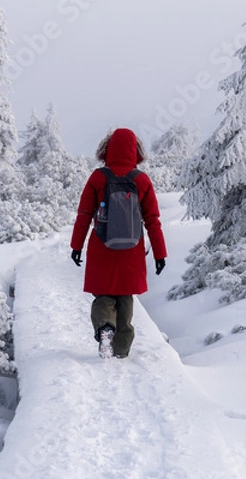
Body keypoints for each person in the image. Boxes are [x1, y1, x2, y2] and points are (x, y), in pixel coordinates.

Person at [70, 128, 167, 359]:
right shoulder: (141, 180)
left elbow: (84, 214)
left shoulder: (98, 177)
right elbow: (153, 220)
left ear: (107, 148)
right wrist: (159, 254)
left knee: (103, 295)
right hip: (131, 250)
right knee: (125, 297)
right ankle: (121, 350)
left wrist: (76, 246)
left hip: (101, 246)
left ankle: (105, 327)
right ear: (136, 151)